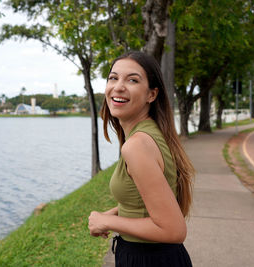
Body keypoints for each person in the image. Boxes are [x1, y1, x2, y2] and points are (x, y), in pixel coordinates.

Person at [88, 51, 194, 267]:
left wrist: (107, 220)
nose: (118, 86)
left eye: (132, 80)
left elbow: (174, 229)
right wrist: (117, 211)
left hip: (148, 259)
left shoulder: (136, 146)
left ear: (151, 95)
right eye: (113, 78)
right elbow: (148, 200)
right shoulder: (151, 133)